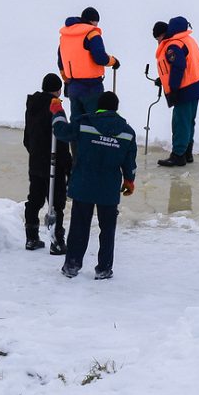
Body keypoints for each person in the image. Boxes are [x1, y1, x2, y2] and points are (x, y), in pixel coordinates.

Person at [50, 91, 137, 279]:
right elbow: (129, 162)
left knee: (79, 226)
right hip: (109, 188)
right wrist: (129, 180)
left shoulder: (84, 123)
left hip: (84, 184)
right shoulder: (127, 132)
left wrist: (58, 112)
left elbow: (61, 131)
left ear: (99, 107)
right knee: (107, 230)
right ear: (116, 108)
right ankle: (104, 269)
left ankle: (72, 265)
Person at [23, 73, 72, 254]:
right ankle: (57, 241)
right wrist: (68, 166)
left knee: (34, 199)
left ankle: (31, 238)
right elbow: (62, 138)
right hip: (54, 163)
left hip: (36, 161)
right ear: (58, 90)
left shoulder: (32, 106)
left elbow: (27, 138)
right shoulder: (55, 107)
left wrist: (35, 153)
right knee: (56, 203)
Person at [154, 16, 199, 166]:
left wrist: (173, 87)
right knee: (189, 121)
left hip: (184, 89)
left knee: (180, 123)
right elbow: (185, 64)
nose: (158, 42)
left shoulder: (173, 45)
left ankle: (178, 155)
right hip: (195, 85)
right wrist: (163, 80)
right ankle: (187, 153)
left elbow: (178, 66)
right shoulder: (187, 40)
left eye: (157, 38)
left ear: (163, 34)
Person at [57, 6, 120, 118]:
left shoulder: (65, 36)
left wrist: (67, 80)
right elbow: (100, 58)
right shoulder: (92, 34)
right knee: (93, 121)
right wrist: (113, 61)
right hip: (91, 87)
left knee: (77, 122)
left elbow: (61, 61)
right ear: (92, 21)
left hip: (73, 87)